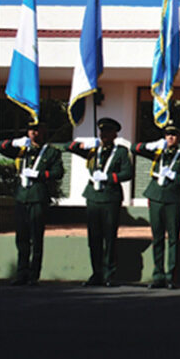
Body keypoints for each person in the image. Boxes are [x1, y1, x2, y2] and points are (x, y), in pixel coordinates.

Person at [66, 118, 133, 287]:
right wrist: (84, 143)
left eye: (108, 132)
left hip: (110, 197)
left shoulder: (121, 152)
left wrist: (108, 177)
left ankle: (109, 274)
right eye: (102, 131)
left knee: (109, 237)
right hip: (93, 197)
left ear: (115, 134)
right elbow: (69, 147)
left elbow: (127, 173)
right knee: (94, 238)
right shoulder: (93, 149)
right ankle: (96, 273)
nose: (104, 135)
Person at [132, 120, 180, 289]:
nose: (170, 137)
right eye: (168, 134)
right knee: (157, 238)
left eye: (174, 135)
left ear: (179, 137)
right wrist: (151, 145)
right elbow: (134, 148)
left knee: (173, 238)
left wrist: (174, 176)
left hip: (173, 199)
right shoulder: (158, 152)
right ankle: (158, 276)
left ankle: (172, 276)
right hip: (155, 197)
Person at [0, 121, 64, 286]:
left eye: (37, 130)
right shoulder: (22, 150)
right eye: (31, 130)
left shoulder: (51, 152)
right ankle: (21, 273)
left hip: (37, 197)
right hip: (22, 197)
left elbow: (58, 172)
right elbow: (1, 146)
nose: (34, 134)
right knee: (21, 237)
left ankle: (33, 275)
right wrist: (14, 142)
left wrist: (39, 174)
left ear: (43, 131)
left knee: (36, 237)